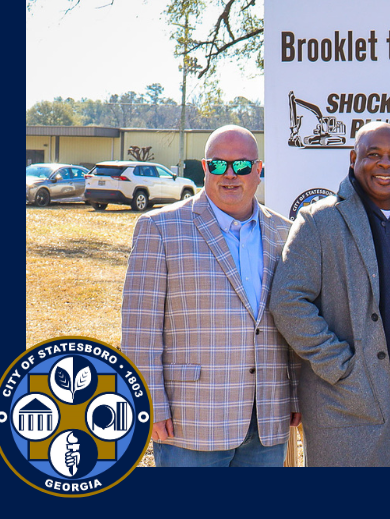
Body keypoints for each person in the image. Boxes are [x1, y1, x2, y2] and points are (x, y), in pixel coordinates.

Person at [266, 122, 390, 467]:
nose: (385, 164)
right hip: (343, 400)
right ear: (353, 159)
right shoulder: (320, 221)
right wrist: (342, 366)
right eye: (373, 154)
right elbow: (288, 301)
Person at [122, 125, 299, 467]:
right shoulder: (159, 228)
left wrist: (294, 395)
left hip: (266, 420)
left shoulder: (285, 232)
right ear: (204, 169)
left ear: (258, 171)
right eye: (218, 165)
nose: (230, 175)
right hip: (190, 420)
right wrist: (150, 405)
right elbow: (140, 332)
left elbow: (291, 322)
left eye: (242, 166)